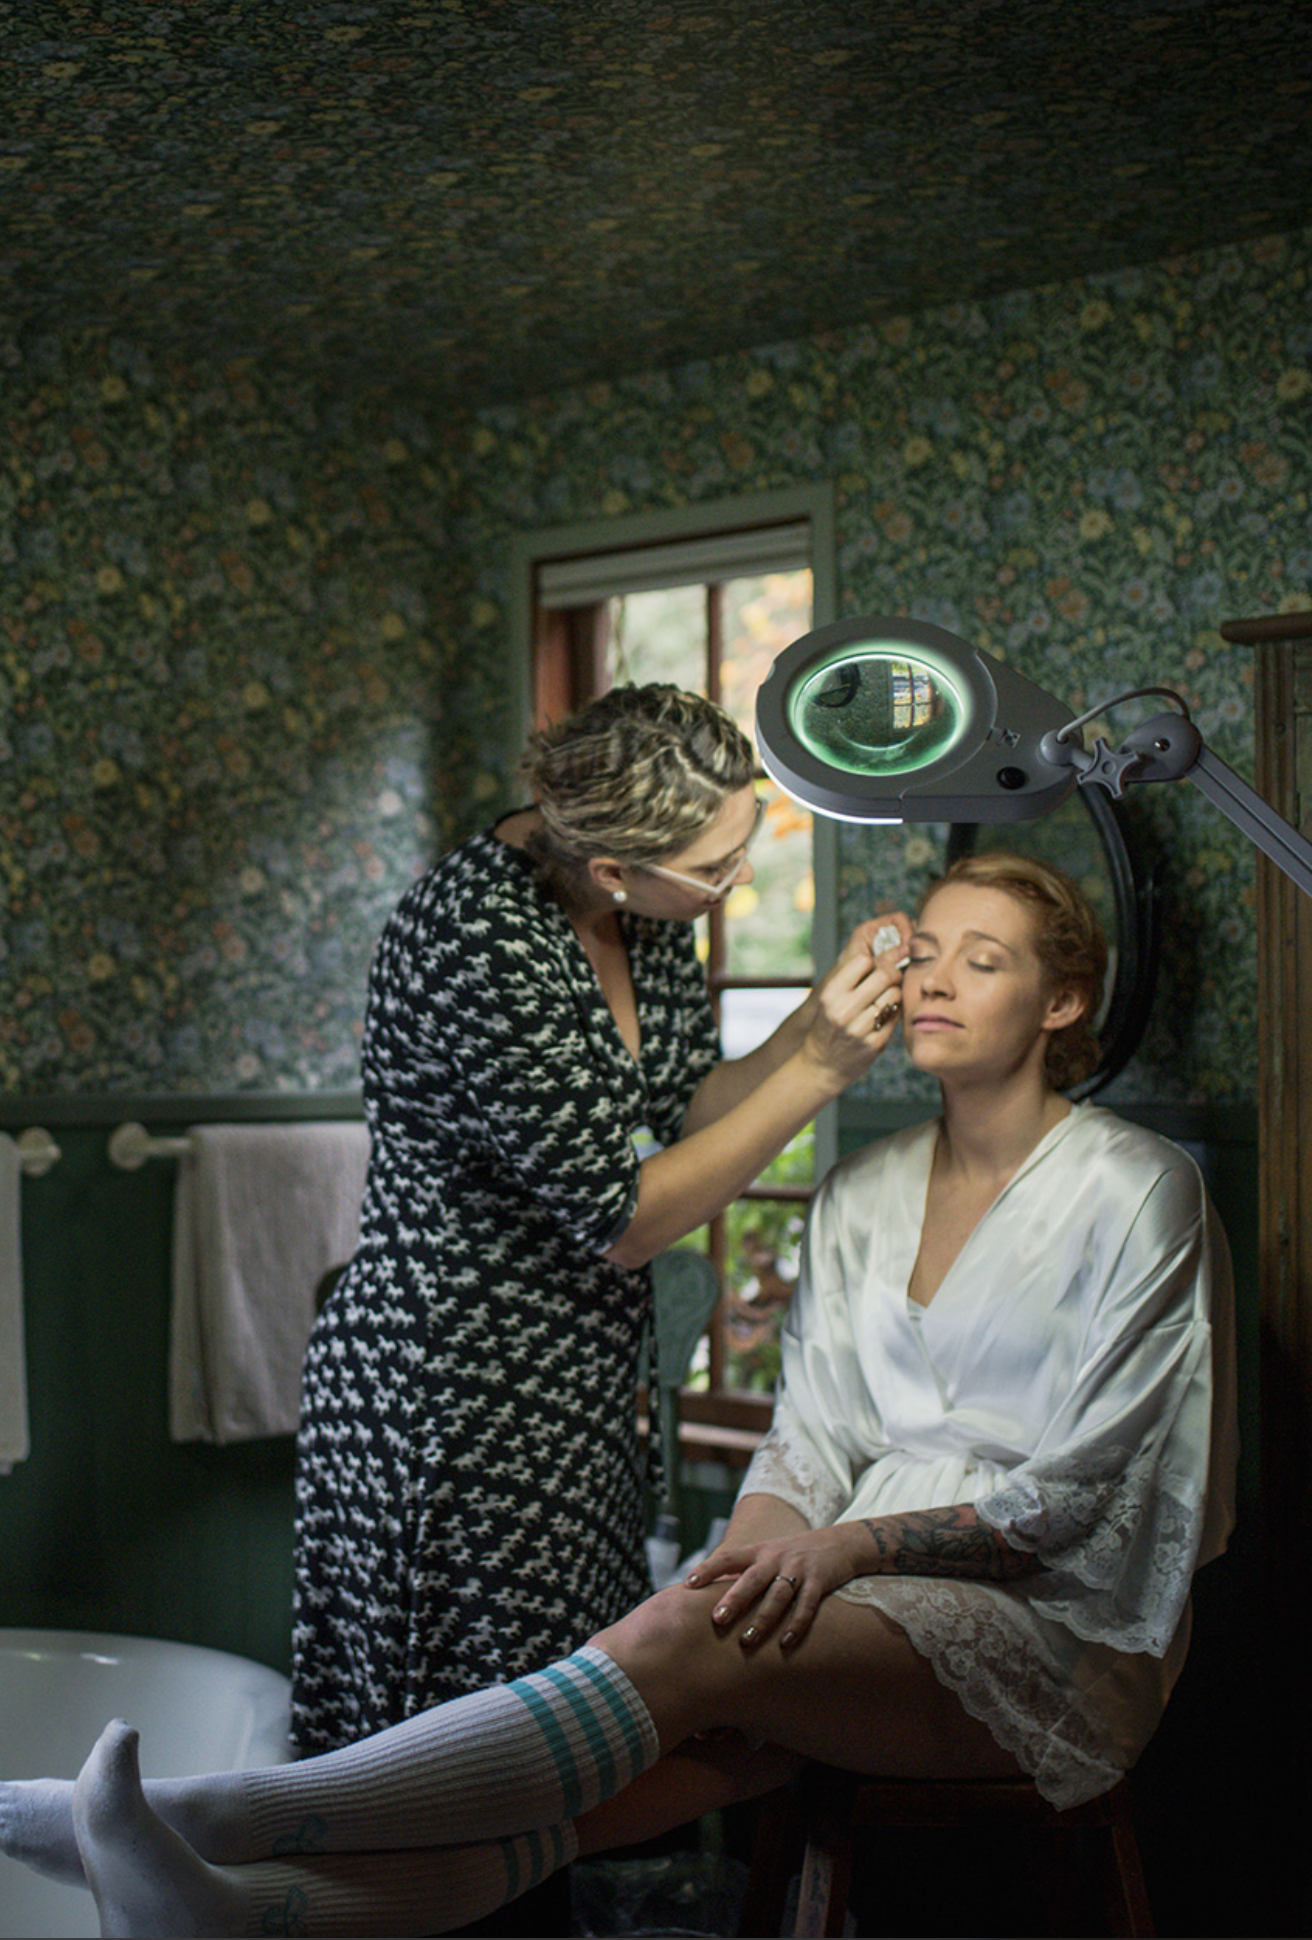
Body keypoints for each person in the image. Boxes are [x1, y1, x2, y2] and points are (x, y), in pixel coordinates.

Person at [0, 850, 1237, 1940]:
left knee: (678, 1644)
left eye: (983, 960)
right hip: (851, 1585)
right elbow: (807, 1436)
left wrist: (829, 1554)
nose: (931, 979)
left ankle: (211, 1813)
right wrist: (747, 1559)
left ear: (1062, 999)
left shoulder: (1139, 1192)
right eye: (921, 951)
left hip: (1049, 1625)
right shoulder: (861, 1187)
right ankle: (247, 1905)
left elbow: (1081, 1495)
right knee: (640, 1744)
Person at [291, 681, 911, 1752]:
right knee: (459, 1739)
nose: (739, 878)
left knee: (565, 1717)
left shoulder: (646, 914)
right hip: (448, 1385)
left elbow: (683, 1112)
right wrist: (817, 1071)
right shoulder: (478, 934)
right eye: (717, 868)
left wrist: (819, 1019)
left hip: (572, 1383)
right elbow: (621, 1216)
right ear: (614, 864)